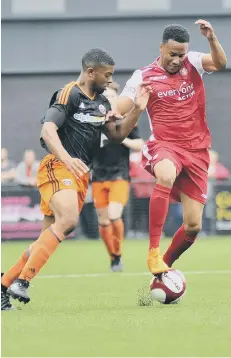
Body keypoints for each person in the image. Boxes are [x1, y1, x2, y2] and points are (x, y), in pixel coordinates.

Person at [1, 48, 151, 310]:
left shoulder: (102, 102)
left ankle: (4, 286)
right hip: (57, 166)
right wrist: (67, 158)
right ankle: (22, 282)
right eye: (107, 75)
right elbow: (48, 130)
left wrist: (137, 110)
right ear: (90, 71)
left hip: (79, 176)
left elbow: (116, 135)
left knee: (44, 240)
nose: (109, 80)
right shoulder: (69, 92)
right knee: (69, 221)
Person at [117, 20, 227, 275]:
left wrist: (211, 39)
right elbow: (123, 102)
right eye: (172, 54)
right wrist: (113, 110)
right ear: (161, 48)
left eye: (181, 54)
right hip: (165, 144)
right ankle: (153, 251)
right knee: (165, 174)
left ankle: (162, 268)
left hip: (197, 151)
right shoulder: (143, 75)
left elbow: (220, 63)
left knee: (193, 226)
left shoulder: (195, 62)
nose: (177, 60)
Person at [92, 82, 144, 271]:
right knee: (103, 221)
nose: (109, 99)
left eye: (113, 96)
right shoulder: (94, 122)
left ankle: (119, 253)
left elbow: (140, 145)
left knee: (114, 216)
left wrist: (121, 137)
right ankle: (113, 257)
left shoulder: (126, 120)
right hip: (98, 175)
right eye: (106, 96)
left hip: (119, 174)